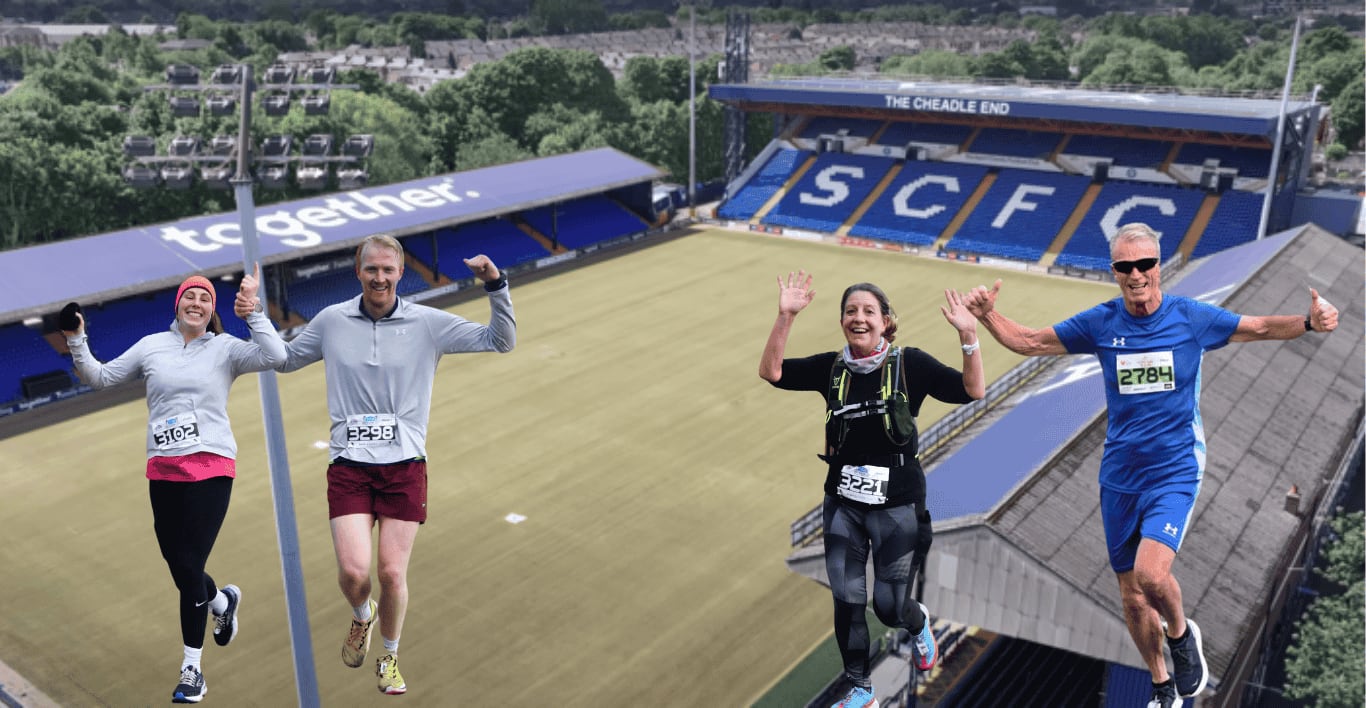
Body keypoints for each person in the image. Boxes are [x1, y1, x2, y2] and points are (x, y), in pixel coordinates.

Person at [962, 223, 1339, 708]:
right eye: (1125, 266)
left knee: (1152, 577)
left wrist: (1309, 322)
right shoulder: (1101, 323)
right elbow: (1031, 341)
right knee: (1132, 598)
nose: (1136, 274)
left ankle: (1182, 637)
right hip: (1119, 476)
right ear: (1114, 272)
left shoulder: (1190, 318)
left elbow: (1259, 327)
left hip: (1175, 468)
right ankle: (1162, 686)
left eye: (1145, 264)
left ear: (1160, 265)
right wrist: (988, 316)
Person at [276, 234, 515, 696]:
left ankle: (388, 655)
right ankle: (361, 617)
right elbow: (285, 360)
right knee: (353, 573)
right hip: (349, 464)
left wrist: (496, 285)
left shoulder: (427, 323)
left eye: (388, 269)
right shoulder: (331, 321)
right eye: (372, 269)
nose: (379, 277)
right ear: (358, 272)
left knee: (390, 573)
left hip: (404, 466)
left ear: (401, 273)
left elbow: (500, 340)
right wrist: (254, 322)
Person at [760, 272, 985, 708]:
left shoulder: (910, 365)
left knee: (886, 606)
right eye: (850, 311)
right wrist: (785, 316)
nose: (858, 318)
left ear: (886, 321)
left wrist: (969, 336)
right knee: (847, 600)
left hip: (897, 505)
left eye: (868, 311)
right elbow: (772, 371)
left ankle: (917, 624)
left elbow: (972, 390)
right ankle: (862, 691)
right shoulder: (832, 369)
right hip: (842, 501)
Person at [63, 265, 286, 704]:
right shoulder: (152, 347)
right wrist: (76, 338)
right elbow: (101, 377)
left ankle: (192, 669)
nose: (197, 303)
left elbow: (276, 356)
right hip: (163, 469)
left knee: (187, 567)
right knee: (179, 565)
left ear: (211, 309)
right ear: (178, 303)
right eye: (191, 296)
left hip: (212, 464)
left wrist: (253, 311)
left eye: (205, 298)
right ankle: (222, 603)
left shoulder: (225, 348)